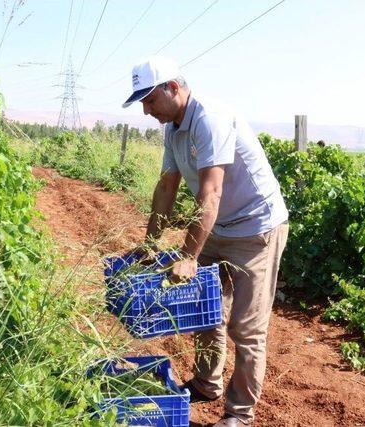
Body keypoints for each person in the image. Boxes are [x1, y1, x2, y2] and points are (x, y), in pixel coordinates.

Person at [122, 56, 289, 427]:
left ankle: (239, 414)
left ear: (173, 88)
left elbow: (211, 194)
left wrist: (189, 255)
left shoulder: (209, 118)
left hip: (255, 229)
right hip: (219, 226)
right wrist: (149, 244)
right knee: (208, 311)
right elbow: (167, 186)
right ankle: (206, 383)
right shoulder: (173, 127)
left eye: (149, 100)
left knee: (246, 328)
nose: (147, 110)